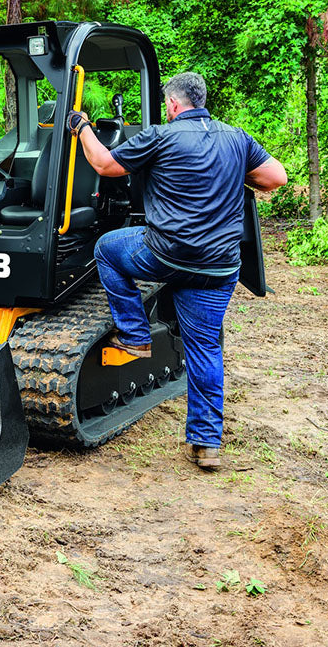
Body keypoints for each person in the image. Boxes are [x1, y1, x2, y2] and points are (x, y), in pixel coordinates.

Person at [67, 72, 287, 470]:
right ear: (201, 101)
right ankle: (206, 444)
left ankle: (134, 335)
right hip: (220, 266)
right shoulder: (236, 137)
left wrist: (82, 127)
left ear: (172, 104)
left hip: (167, 255)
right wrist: (237, 172)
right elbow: (276, 178)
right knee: (205, 349)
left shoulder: (161, 136)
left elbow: (103, 163)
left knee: (107, 249)